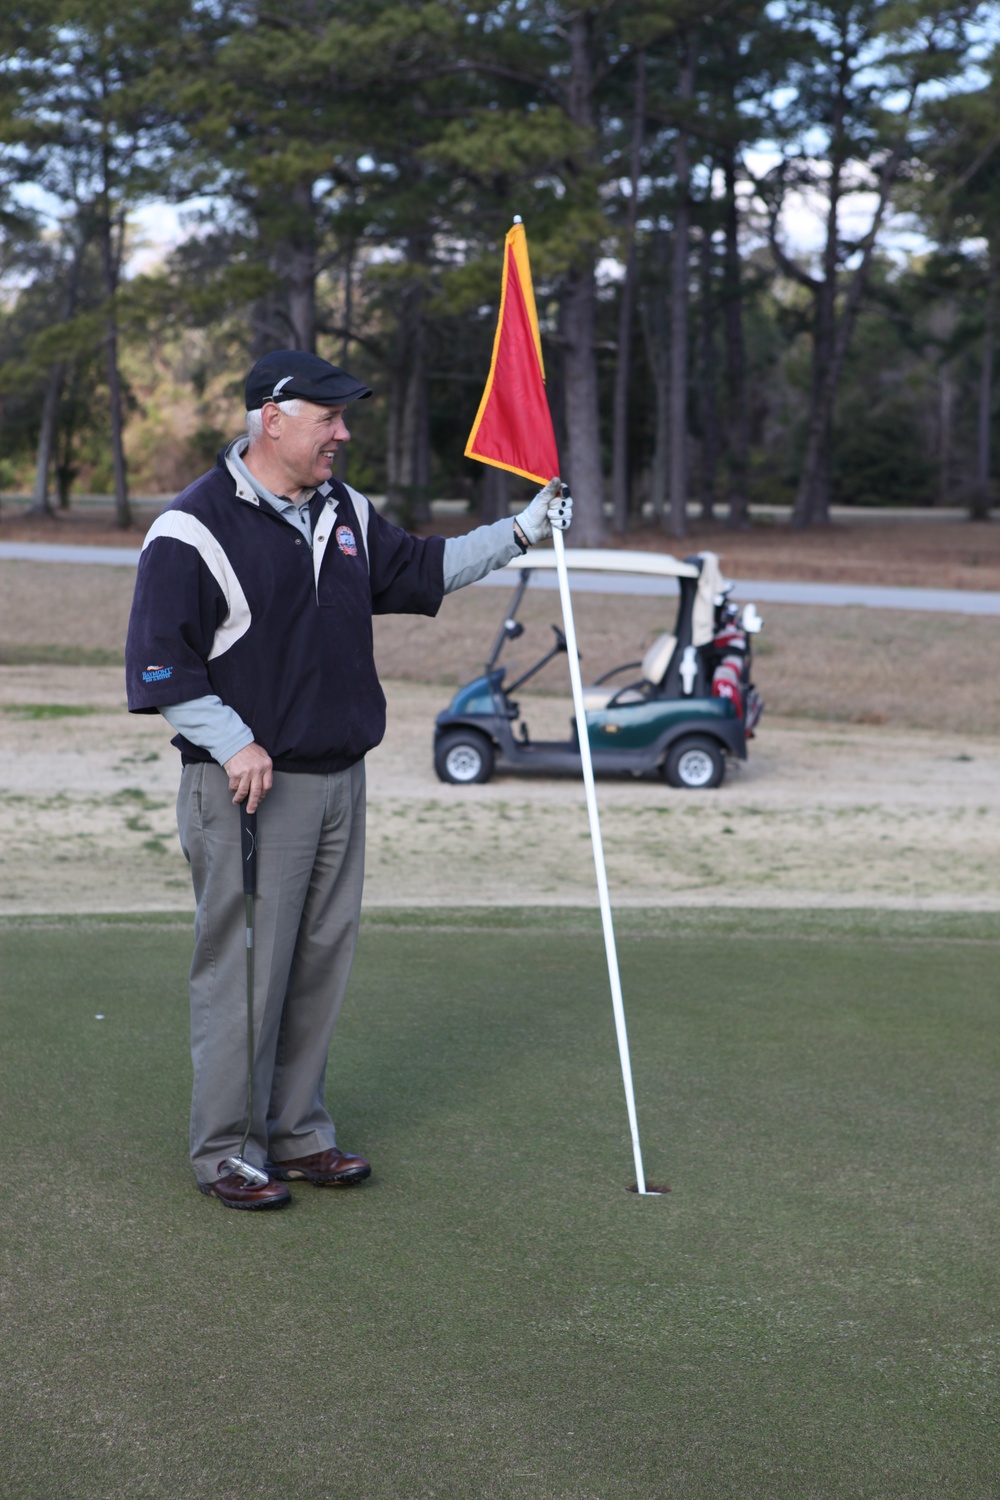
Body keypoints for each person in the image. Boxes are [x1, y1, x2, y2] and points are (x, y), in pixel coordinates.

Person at [126, 349, 572, 1210]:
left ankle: (297, 1136)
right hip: (250, 788)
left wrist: (521, 531)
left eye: (344, 416)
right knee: (245, 969)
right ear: (273, 417)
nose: (344, 432)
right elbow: (160, 669)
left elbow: (424, 570)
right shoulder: (191, 528)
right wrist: (232, 741)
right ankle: (227, 1150)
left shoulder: (344, 511)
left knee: (320, 962)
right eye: (329, 417)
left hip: (339, 779)